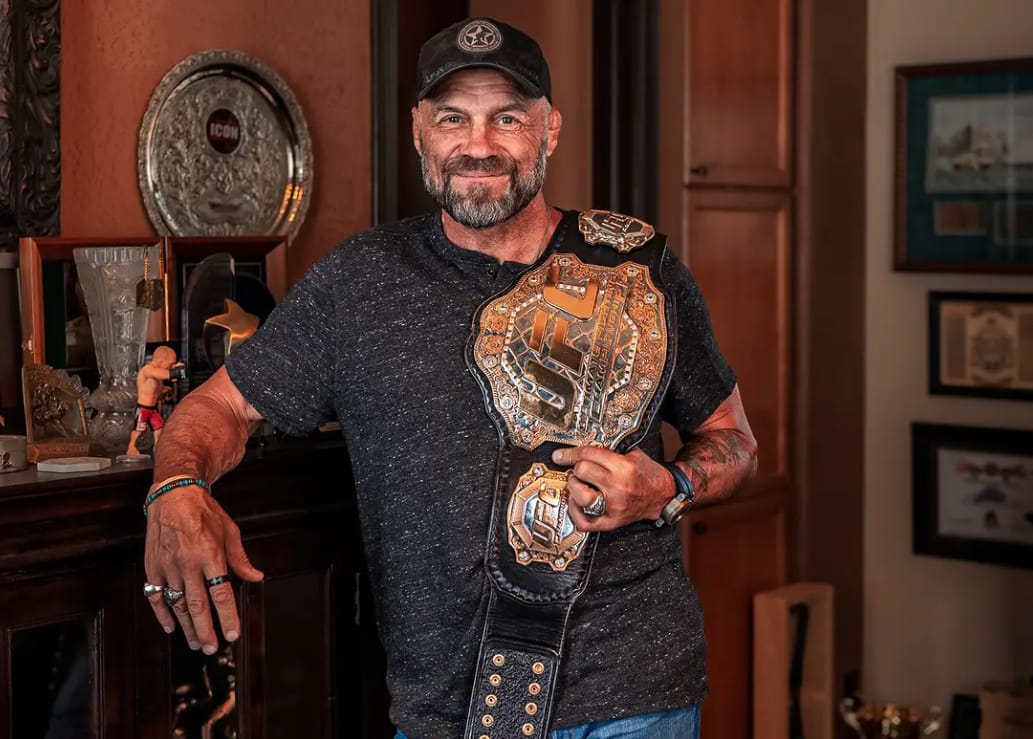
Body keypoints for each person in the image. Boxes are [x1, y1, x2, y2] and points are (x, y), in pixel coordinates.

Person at [142, 17, 757, 739]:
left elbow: (733, 440)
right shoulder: (358, 281)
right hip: (445, 707)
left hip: (631, 696)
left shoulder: (636, 269)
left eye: (508, 118)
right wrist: (176, 487)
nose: (479, 145)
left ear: (551, 129)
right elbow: (220, 406)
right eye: (453, 118)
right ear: (418, 131)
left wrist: (670, 486)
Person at [125, 346, 183, 457]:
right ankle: (131, 446)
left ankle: (157, 446)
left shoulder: (158, 377)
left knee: (159, 426)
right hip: (143, 407)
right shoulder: (148, 370)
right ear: (160, 362)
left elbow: (176, 378)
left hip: (153, 408)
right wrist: (178, 370)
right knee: (139, 428)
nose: (172, 366)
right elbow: (169, 374)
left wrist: (164, 391)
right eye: (170, 364)